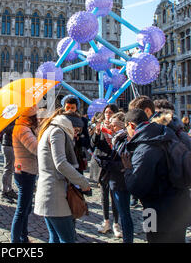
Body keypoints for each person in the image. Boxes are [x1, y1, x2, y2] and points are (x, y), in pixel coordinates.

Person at [121, 109, 191, 243]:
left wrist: (127, 170)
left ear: (131, 125)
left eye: (126, 128)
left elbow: (136, 187)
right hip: (181, 206)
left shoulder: (144, 148)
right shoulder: (168, 135)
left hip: (154, 212)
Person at [34, 108, 91, 243]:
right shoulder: (57, 132)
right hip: (55, 195)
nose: (76, 135)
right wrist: (83, 182)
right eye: (76, 131)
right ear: (70, 124)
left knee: (55, 237)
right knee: (68, 239)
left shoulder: (52, 129)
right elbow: (60, 164)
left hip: (50, 194)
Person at [101, 112, 134, 243]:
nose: (111, 128)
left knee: (125, 214)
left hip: (121, 181)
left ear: (121, 126)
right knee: (124, 213)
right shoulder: (116, 138)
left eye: (114, 126)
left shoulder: (124, 140)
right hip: (116, 180)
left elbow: (124, 162)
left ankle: (128, 239)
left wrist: (107, 163)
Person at [90, 103, 121, 237]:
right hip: (103, 165)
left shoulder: (118, 128)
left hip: (114, 164)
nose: (107, 114)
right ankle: (106, 221)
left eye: (110, 112)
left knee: (115, 195)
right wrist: (97, 133)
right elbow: (92, 145)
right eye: (106, 112)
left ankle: (116, 224)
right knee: (104, 195)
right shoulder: (100, 127)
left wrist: (114, 132)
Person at [10, 105, 39, 243]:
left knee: (26, 208)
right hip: (25, 172)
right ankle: (15, 241)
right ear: (31, 117)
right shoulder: (23, 129)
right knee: (22, 210)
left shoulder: (24, 127)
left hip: (25, 170)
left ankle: (23, 237)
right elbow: (36, 148)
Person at [0, 121, 18, 203]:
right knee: (7, 169)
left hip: (12, 144)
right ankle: (3, 192)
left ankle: (9, 190)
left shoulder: (16, 116)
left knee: (11, 169)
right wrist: (17, 126)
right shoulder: (8, 115)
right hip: (8, 145)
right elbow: (5, 129)